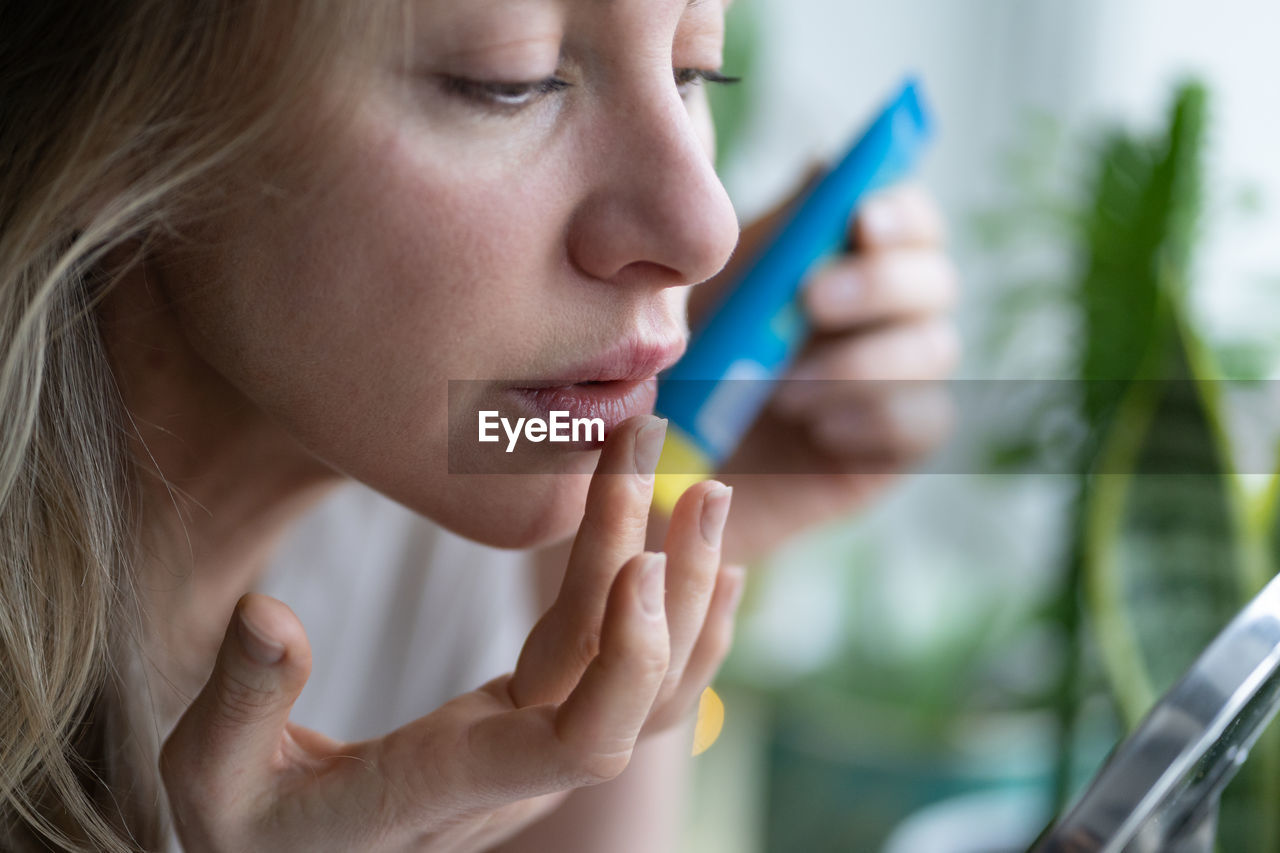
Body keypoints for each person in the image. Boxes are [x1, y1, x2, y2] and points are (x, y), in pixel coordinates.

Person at [0, 0, 959, 850]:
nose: (704, 228)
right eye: (511, 79)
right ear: (117, 112)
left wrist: (649, 547)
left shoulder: (439, 511)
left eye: (694, 68)